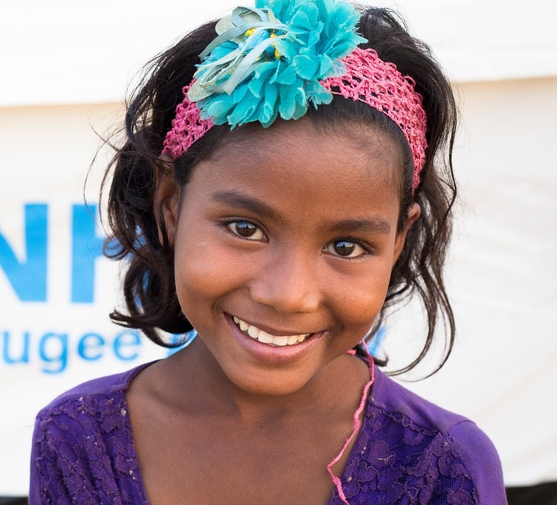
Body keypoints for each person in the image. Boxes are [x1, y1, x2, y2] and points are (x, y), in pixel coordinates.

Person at [29, 1, 507, 503]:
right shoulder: (77, 439)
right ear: (170, 205)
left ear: (398, 242)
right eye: (245, 228)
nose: (289, 295)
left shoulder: (441, 467)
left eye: (346, 246)